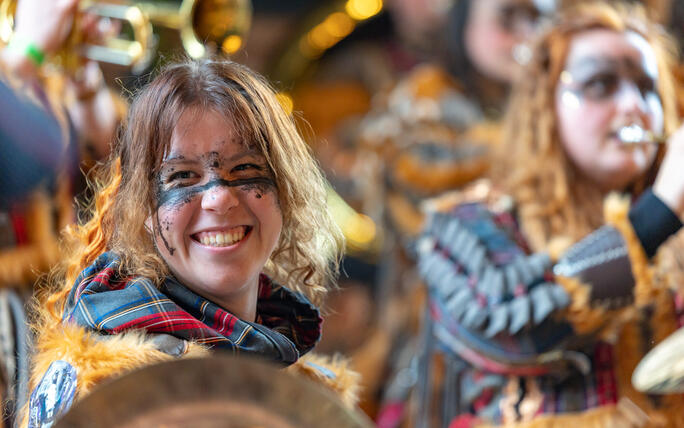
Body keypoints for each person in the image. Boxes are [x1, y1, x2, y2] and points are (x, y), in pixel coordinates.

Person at [20, 58, 358, 427]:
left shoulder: (301, 376)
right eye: (181, 176)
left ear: (285, 190)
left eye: (245, 169)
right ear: (142, 208)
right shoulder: (100, 384)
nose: (218, 198)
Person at [414, 2, 684, 426]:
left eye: (648, 88)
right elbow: (509, 330)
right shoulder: (465, 222)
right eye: (602, 84)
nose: (635, 105)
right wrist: (657, 215)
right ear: (545, 104)